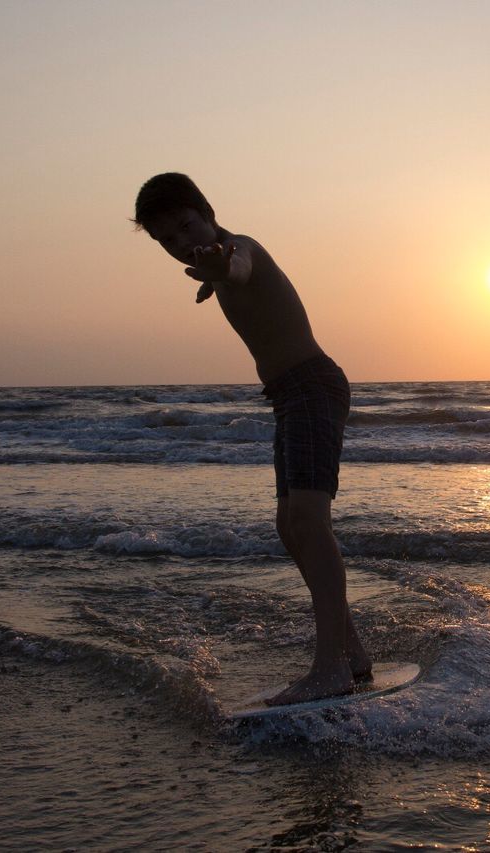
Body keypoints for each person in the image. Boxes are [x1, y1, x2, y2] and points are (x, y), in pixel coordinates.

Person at [133, 173, 371, 705]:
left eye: (187, 227)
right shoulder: (215, 261)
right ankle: (351, 654)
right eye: (166, 241)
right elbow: (224, 273)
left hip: (312, 386)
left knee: (309, 521)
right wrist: (212, 272)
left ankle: (329, 666)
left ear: (208, 211)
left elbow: (237, 268)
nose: (181, 244)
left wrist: (220, 266)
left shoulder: (242, 249)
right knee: (289, 525)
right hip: (289, 396)